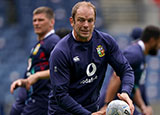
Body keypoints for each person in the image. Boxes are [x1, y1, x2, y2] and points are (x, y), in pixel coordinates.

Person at [48, 1, 135, 115]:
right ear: (72, 21)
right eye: (81, 20)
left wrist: (125, 92)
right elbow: (61, 95)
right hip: (63, 112)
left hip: (91, 109)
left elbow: (125, 69)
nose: (86, 25)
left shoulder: (105, 42)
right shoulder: (61, 51)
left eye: (90, 20)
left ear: (94, 22)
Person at [10, 6, 60, 115]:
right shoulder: (40, 43)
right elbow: (35, 68)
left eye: (41, 20)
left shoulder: (53, 41)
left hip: (43, 99)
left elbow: (60, 70)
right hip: (33, 96)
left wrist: (37, 76)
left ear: (51, 22)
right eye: (34, 20)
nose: (36, 23)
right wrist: (24, 81)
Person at [103, 25, 160, 115]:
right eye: (159, 42)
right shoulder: (134, 54)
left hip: (123, 104)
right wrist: (107, 104)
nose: (159, 46)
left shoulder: (141, 55)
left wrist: (143, 107)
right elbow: (116, 76)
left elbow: (134, 86)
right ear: (152, 41)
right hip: (115, 104)